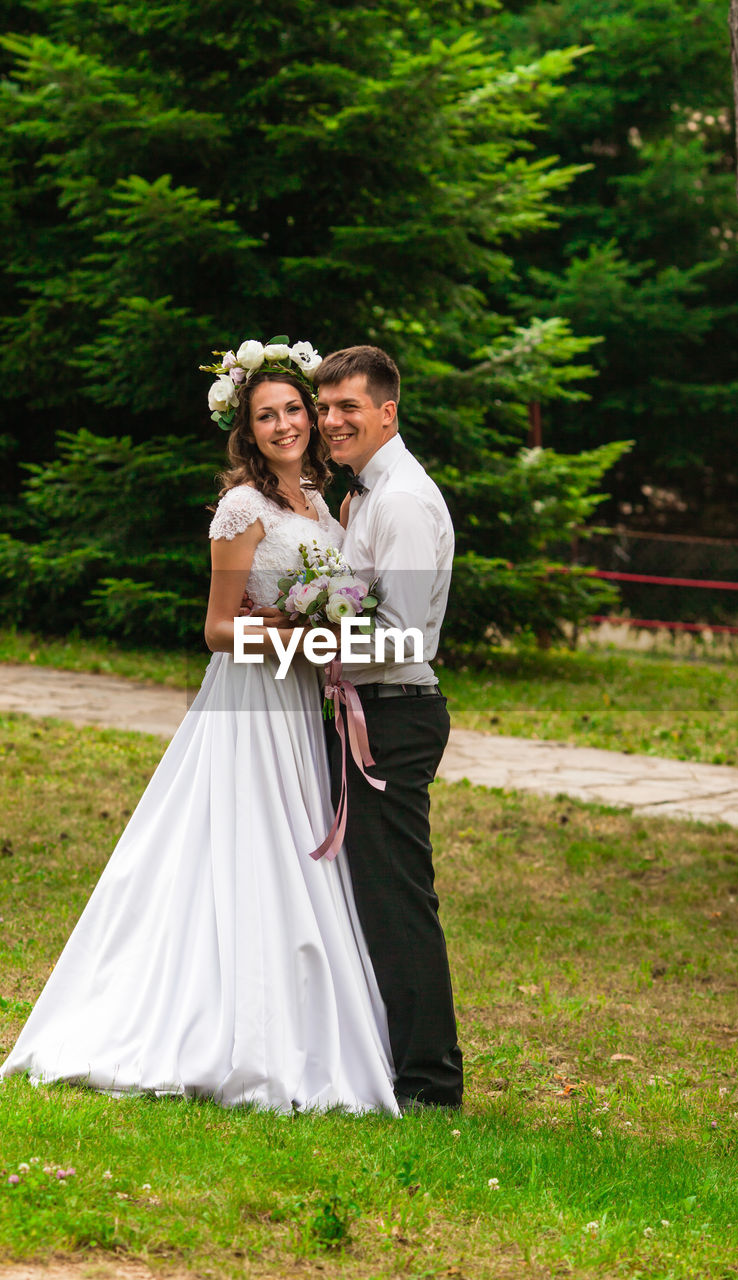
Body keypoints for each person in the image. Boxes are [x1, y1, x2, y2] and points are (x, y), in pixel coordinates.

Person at [0, 343, 399, 1116]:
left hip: (295, 705)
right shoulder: (241, 508)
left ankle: (303, 1020)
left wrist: (322, 625)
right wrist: (300, 635)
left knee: (296, 845)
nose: (285, 424)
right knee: (245, 849)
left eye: (293, 410)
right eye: (266, 415)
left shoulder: (317, 501)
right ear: (246, 430)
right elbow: (218, 629)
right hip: (250, 701)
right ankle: (216, 1029)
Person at [313, 344, 464, 1112]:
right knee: (375, 894)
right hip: (368, 710)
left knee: (397, 897)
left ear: (385, 412)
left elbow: (408, 637)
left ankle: (431, 1084)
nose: (331, 421)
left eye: (347, 407)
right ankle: (390, 1059)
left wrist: (302, 647)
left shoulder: (400, 499)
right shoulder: (364, 496)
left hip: (393, 718)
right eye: (325, 406)